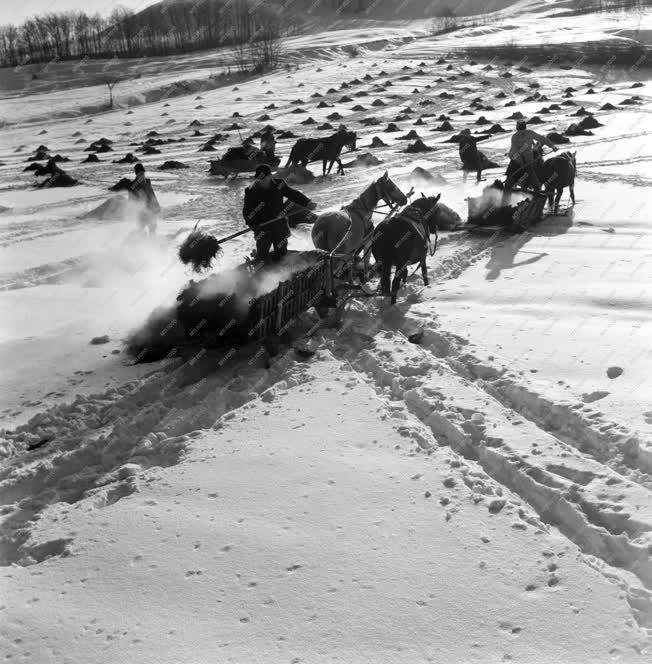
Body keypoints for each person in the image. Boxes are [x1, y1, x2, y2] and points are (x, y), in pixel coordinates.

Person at [242, 164, 317, 263]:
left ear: (270, 176)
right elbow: (247, 212)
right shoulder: (251, 190)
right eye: (259, 179)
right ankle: (261, 270)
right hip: (262, 227)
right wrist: (254, 225)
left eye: (264, 178)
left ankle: (280, 272)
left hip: (279, 224)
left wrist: (307, 202)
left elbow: (293, 194)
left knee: (281, 253)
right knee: (263, 254)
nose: (262, 181)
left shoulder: (279, 184)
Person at [505, 120, 558, 194]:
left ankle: (507, 189)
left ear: (517, 127)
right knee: (533, 177)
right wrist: (552, 146)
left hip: (516, 160)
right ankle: (536, 192)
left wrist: (514, 157)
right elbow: (541, 139)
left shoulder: (514, 136)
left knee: (510, 177)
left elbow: (514, 150)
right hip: (528, 161)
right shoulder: (529, 133)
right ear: (525, 126)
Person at [129, 163, 160, 234]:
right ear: (136, 174)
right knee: (140, 229)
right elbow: (131, 198)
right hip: (141, 212)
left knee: (153, 228)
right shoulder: (133, 185)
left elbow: (152, 194)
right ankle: (136, 242)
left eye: (143, 173)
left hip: (151, 209)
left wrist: (157, 205)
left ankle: (151, 242)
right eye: (140, 174)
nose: (142, 175)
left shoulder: (148, 181)